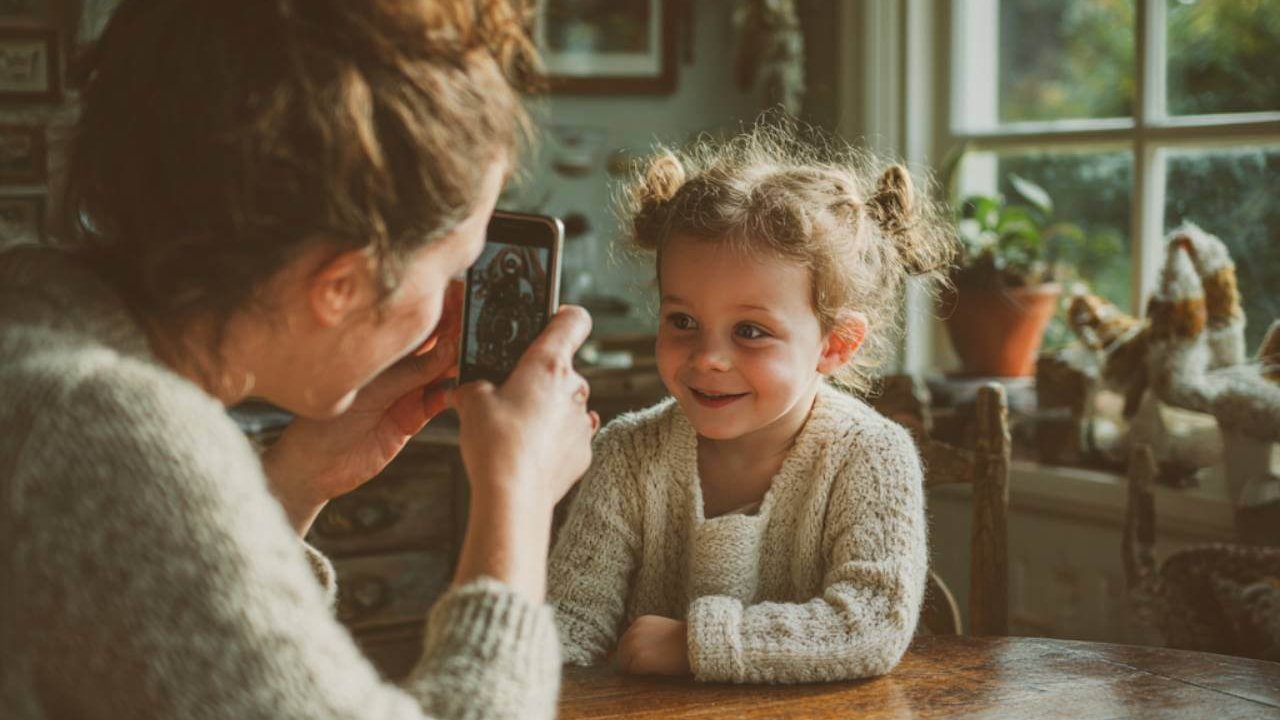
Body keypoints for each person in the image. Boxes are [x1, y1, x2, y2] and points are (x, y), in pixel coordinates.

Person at [0, 1, 596, 718]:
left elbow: (153, 647)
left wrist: (287, 483)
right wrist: (517, 496)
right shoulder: (109, 434)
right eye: (447, 272)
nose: (449, 307)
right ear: (339, 285)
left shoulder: (32, 315)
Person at [546, 122, 956, 684]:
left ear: (835, 344)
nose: (708, 358)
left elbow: (870, 624)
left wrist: (694, 643)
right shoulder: (627, 452)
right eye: (683, 321)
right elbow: (570, 623)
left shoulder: (872, 456)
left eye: (750, 331)